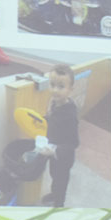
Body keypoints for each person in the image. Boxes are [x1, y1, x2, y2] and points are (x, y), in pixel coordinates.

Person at [43, 64, 81, 207]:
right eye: (52, 85)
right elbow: (53, 119)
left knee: (61, 180)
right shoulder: (55, 103)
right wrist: (43, 120)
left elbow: (73, 143)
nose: (55, 90)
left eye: (61, 86)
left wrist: (55, 150)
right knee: (53, 174)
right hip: (53, 151)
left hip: (63, 157)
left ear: (70, 90)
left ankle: (59, 203)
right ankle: (54, 194)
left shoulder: (70, 115)